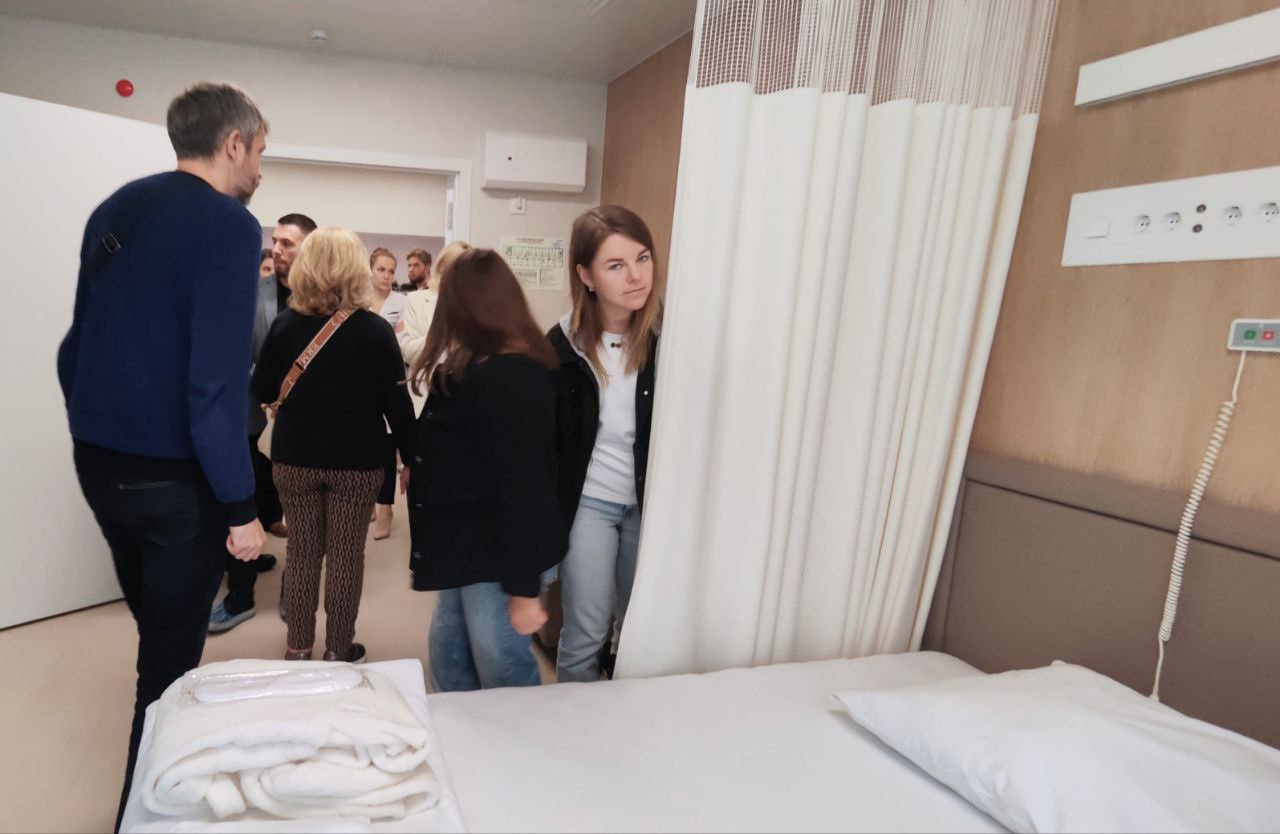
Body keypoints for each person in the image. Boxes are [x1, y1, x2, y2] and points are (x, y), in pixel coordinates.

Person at [56, 81, 269, 831]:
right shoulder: (231, 225)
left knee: (159, 630)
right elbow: (215, 385)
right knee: (168, 674)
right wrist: (241, 508)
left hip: (100, 466)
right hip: (176, 485)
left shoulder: (117, 207)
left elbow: (74, 349)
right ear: (233, 144)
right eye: (259, 152)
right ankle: (140, 816)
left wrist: (94, 428)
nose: (259, 169)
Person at [251, 227, 414, 664]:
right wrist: (411, 458)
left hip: (294, 457)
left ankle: (298, 648)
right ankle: (339, 650)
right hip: (356, 461)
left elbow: (262, 388)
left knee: (302, 553)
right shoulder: (375, 331)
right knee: (345, 556)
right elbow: (398, 406)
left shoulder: (284, 325)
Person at [406, 248, 565, 691]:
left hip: (498, 552)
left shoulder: (517, 377)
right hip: (464, 543)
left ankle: (516, 737)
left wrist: (523, 589)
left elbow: (527, 486)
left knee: (500, 666)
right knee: (450, 655)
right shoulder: (470, 365)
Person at [551, 205, 663, 683]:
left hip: (650, 505)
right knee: (587, 631)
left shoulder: (669, 338)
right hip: (590, 505)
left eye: (642, 258)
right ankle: (571, 721)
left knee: (640, 630)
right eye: (616, 265)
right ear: (586, 275)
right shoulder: (561, 346)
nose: (636, 276)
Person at [208, 212, 316, 633]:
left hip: (305, 426)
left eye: (288, 243)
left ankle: (294, 594)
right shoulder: (253, 294)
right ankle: (240, 597)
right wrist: (267, 387)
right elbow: (237, 358)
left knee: (304, 518)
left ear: (310, 247)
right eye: (276, 241)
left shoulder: (326, 301)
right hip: (253, 419)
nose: (278, 249)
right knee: (244, 506)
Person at [369, 246, 407, 540]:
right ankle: (369, 501)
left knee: (386, 448)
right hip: (363, 382)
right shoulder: (358, 300)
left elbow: (403, 341)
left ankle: (385, 509)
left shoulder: (402, 302)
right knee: (366, 445)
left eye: (391, 271)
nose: (386, 275)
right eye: (381, 269)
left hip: (391, 381)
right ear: (370, 270)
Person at [398, 240, 471, 368]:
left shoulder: (475, 306)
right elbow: (408, 354)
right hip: (427, 378)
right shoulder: (416, 300)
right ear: (442, 268)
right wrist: (438, 333)